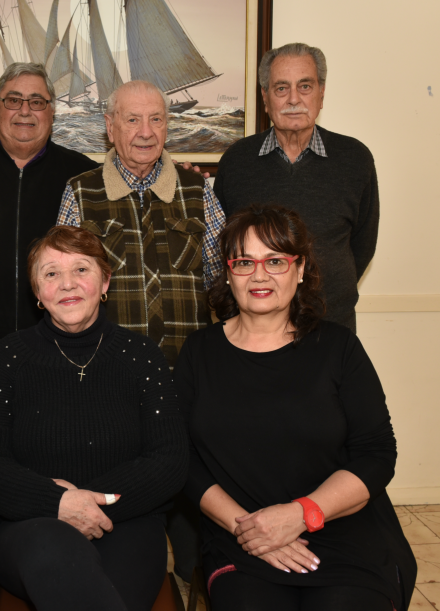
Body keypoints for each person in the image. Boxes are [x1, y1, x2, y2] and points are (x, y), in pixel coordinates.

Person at [176, 204, 415, 611]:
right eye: (244, 262)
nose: (259, 275)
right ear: (228, 272)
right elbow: (181, 460)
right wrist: (249, 530)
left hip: (341, 532)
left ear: (300, 269)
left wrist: (301, 514)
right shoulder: (198, 353)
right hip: (241, 537)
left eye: (275, 260)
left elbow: (376, 454)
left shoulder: (339, 348)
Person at [0, 225, 188, 611]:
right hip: (29, 527)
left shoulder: (142, 356)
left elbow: (169, 460)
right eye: (51, 273)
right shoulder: (7, 357)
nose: (67, 284)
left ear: (105, 281)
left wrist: (86, 504)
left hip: (128, 522)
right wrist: (57, 503)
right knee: (55, 555)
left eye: (81, 269)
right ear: (37, 292)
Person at [57, 80, 225, 370]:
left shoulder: (198, 189)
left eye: (156, 119)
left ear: (166, 125)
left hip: (189, 374)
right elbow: (63, 289)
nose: (146, 132)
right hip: (107, 373)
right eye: (133, 120)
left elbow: (225, 282)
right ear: (110, 127)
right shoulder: (80, 192)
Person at [213, 42, 379, 333]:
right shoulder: (237, 161)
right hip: (255, 333)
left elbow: (361, 246)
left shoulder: (355, 159)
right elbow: (223, 249)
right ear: (265, 98)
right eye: (281, 88)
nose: (293, 99)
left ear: (321, 93)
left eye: (305, 86)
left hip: (332, 328)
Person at [0, 62, 96, 345]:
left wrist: (178, 174)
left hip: (55, 342)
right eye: (13, 100)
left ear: (52, 112)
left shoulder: (83, 174)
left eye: (37, 101)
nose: (25, 111)